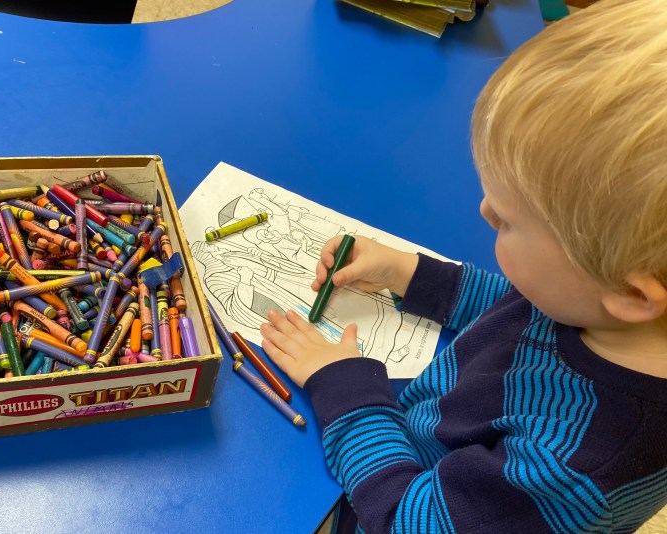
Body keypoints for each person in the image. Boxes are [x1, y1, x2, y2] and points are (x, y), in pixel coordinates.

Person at [259, 0, 667, 531]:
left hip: (402, 490)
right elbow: (519, 310)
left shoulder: (574, 469)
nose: (485, 212)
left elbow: (409, 521)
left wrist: (346, 389)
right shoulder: (593, 302)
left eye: (509, 221)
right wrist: (410, 274)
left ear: (633, 294)